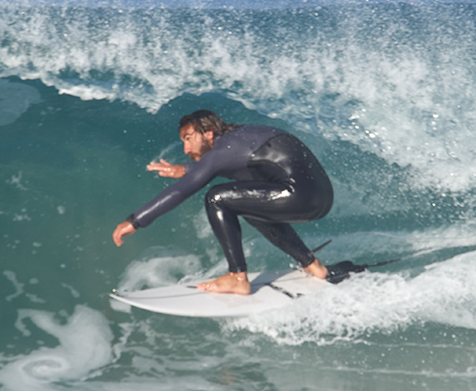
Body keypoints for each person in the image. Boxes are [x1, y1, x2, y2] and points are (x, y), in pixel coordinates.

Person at [113, 110, 358, 294]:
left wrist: (135, 220)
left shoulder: (225, 148)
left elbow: (185, 189)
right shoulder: (241, 138)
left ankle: (237, 277)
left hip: (299, 195)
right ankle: (314, 267)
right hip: (318, 196)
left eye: (188, 139)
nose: (186, 148)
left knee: (217, 197)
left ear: (208, 134)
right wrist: (187, 168)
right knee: (247, 203)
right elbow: (235, 171)